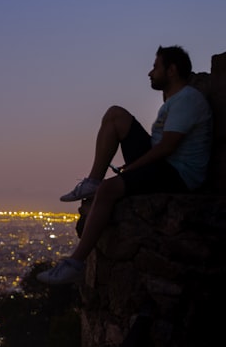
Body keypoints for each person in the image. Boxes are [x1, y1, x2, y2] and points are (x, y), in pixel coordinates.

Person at [38, 45, 213, 285]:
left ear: (171, 70)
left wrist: (132, 168)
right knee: (115, 115)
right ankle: (92, 180)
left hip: (178, 173)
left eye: (155, 67)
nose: (150, 73)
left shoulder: (188, 99)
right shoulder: (175, 100)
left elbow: (168, 147)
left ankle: (75, 263)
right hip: (162, 162)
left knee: (108, 190)